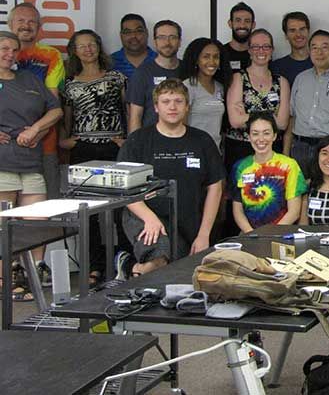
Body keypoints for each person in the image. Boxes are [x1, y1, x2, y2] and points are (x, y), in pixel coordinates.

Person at [116, 79, 224, 278]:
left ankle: (129, 266)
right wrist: (149, 218)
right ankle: (135, 272)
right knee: (160, 258)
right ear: (156, 107)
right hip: (145, 215)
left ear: (187, 107)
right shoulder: (137, 141)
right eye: (166, 102)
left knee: (181, 269)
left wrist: (203, 234)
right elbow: (124, 187)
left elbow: (215, 187)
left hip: (188, 220)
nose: (172, 107)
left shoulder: (202, 140)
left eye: (178, 101)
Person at [59, 29, 127, 285]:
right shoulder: (69, 82)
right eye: (82, 46)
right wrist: (65, 141)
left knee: (121, 210)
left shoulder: (116, 78)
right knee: (90, 213)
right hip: (84, 150)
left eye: (92, 44)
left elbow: (127, 109)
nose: (88, 49)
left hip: (113, 147)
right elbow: (67, 118)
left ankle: (124, 262)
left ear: (99, 47)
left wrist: (127, 139)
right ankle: (95, 267)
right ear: (74, 51)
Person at [0, 31, 63, 300]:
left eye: (14, 50)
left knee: (36, 220)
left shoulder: (29, 79)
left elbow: (56, 109)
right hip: (3, 161)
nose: (9, 54)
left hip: (31, 159)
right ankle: (7, 274)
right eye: (4, 49)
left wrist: (37, 128)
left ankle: (33, 272)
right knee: (5, 222)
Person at [285, 30, 329, 176]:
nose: (319, 52)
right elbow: (292, 118)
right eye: (314, 48)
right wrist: (286, 154)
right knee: (298, 194)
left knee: (326, 194)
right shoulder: (301, 78)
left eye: (325, 47)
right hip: (300, 147)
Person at [230, 112, 307, 232]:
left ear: (274, 136)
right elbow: (237, 210)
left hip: (281, 234)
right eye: (255, 134)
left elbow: (294, 212)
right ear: (249, 136)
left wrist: (268, 234)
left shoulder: (289, 166)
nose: (261, 139)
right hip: (249, 235)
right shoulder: (240, 167)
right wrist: (251, 234)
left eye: (266, 133)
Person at [225, 29, 290, 170]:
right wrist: (271, 117)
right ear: (249, 50)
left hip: (272, 150)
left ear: (272, 50)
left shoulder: (281, 82)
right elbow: (235, 121)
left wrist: (248, 116)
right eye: (256, 47)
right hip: (241, 149)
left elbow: (282, 124)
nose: (261, 51)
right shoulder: (238, 78)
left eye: (266, 46)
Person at [127, 20, 183, 132]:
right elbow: (135, 117)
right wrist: (135, 146)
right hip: (150, 142)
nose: (167, 42)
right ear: (154, 41)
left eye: (172, 37)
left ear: (180, 41)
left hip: (183, 141)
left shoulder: (188, 70)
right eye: (161, 37)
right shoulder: (142, 73)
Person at [182, 37, 227, 150]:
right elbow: (180, 126)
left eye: (216, 57)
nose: (212, 62)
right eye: (206, 57)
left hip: (215, 151)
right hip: (193, 151)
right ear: (196, 60)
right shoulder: (187, 87)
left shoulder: (220, 87)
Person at [271, 11, 312, 88]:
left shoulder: (320, 63)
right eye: (292, 30)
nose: (298, 34)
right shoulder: (276, 67)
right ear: (286, 35)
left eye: (302, 29)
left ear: (308, 31)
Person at [110, 13, 157, 80]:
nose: (133, 36)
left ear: (146, 33)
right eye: (127, 32)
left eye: (138, 31)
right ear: (121, 36)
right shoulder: (109, 63)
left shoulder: (160, 61)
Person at [223, 2, 255, 77]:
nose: (242, 25)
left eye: (247, 21)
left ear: (253, 25)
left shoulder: (259, 53)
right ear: (230, 23)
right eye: (238, 20)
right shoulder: (220, 53)